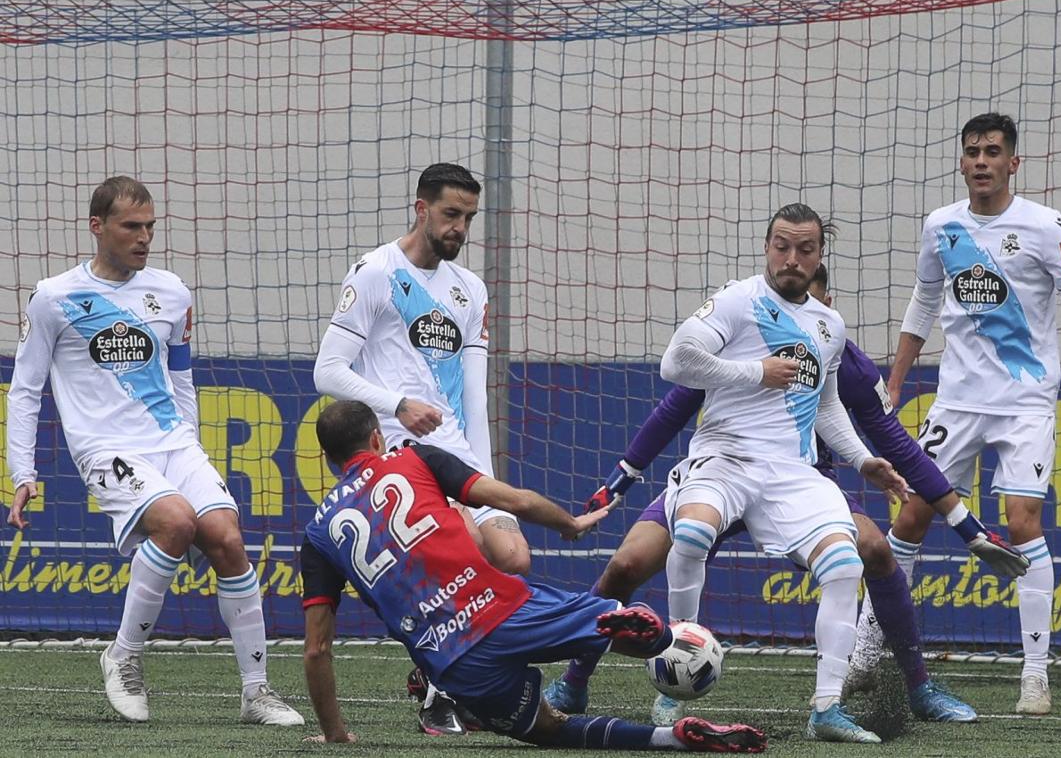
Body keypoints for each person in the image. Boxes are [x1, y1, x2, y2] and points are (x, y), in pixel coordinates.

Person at [544, 263, 1028, 725]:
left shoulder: (840, 353)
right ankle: (576, 681)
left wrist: (964, 524)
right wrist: (620, 480)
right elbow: (674, 406)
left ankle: (918, 686)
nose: (790, 322)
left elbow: (892, 440)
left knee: (875, 551)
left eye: (806, 303)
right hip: (723, 471)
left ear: (825, 302)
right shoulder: (744, 329)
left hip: (799, 483)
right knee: (627, 564)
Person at [300, 400, 766, 753]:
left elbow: (318, 649)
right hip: (503, 608)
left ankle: (671, 739)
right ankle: (642, 631)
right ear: (378, 439)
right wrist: (572, 523)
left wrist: (335, 734)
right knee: (601, 619)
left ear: (328, 459)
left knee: (546, 730)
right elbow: (515, 501)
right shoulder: (414, 458)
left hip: (453, 659)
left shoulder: (318, 533)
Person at [5, 176, 302, 726]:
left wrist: (190, 444)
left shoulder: (171, 292)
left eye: (149, 227)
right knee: (176, 523)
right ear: (98, 227)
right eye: (130, 227)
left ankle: (256, 691)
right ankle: (123, 656)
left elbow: (181, 378)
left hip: (173, 444)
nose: (143, 238)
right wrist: (23, 471)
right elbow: (25, 389)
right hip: (107, 449)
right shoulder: (54, 297)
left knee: (228, 538)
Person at [870, 113, 1061, 716]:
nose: (981, 161)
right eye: (972, 151)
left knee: (1022, 521)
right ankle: (869, 654)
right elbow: (924, 301)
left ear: (1012, 163)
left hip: (1026, 403)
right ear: (963, 160)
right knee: (912, 514)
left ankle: (1034, 676)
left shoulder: (1045, 225)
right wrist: (892, 384)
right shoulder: (941, 226)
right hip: (956, 402)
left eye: (992, 152)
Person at [649, 202, 909, 744]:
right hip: (724, 456)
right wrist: (755, 371)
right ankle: (674, 680)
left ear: (819, 256)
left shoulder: (828, 325)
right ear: (768, 247)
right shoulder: (737, 299)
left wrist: (864, 460)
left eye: (805, 249)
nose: (792, 259)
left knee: (844, 562)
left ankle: (827, 709)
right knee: (693, 532)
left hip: (792, 470)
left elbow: (830, 406)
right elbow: (675, 362)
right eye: (782, 246)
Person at [312, 162, 527, 731]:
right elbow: (327, 372)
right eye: (451, 214)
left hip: (456, 452)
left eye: (468, 218)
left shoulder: (469, 289)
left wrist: (483, 477)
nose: (460, 228)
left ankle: (451, 676)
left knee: (513, 557)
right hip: (398, 457)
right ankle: (445, 690)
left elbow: (474, 398)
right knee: (469, 550)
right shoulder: (375, 273)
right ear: (421, 208)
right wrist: (397, 404)